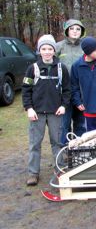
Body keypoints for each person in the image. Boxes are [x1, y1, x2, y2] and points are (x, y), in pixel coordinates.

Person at [22, 35, 70, 186]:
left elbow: (67, 90)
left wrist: (63, 106)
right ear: (39, 51)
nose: (47, 52)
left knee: (57, 142)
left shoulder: (62, 68)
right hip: (37, 113)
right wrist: (29, 108)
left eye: (50, 49)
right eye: (44, 49)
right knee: (35, 143)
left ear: (54, 51)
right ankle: (33, 173)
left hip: (56, 113)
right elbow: (26, 89)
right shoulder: (32, 69)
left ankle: (59, 170)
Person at [56, 19, 86, 144]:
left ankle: (80, 147)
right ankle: (65, 149)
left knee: (80, 123)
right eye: (72, 28)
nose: (75, 31)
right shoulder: (59, 47)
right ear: (67, 30)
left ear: (82, 31)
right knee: (64, 123)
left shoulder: (85, 46)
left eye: (78, 29)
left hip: (81, 91)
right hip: (64, 92)